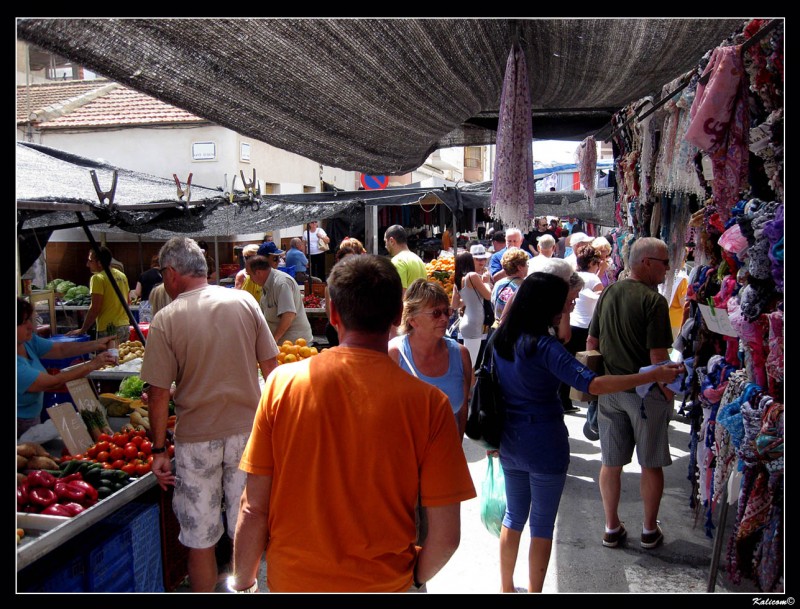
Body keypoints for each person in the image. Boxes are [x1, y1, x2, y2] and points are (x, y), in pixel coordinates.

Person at [230, 254, 476, 592]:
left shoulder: (280, 385)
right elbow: (446, 537)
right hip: (386, 583)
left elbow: (254, 507)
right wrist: (413, 578)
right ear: (396, 316)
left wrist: (243, 583)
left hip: (295, 582)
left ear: (333, 315)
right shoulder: (431, 405)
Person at [493, 271, 683, 593]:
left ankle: (506, 589)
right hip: (544, 444)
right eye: (566, 303)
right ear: (549, 307)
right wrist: (648, 376)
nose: (571, 306)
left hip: (510, 440)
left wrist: (562, 311)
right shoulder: (544, 347)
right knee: (541, 524)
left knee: (513, 517)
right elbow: (592, 384)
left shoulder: (502, 339)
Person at [140, 236, 279, 592]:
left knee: (199, 536)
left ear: (171, 274)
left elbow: (157, 394)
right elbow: (272, 369)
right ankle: (248, 587)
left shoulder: (166, 319)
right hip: (249, 435)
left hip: (196, 441)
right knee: (248, 524)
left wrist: (158, 450)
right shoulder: (244, 300)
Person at [587, 236, 677, 551]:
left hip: (610, 390)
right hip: (644, 393)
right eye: (664, 262)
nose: (668, 268)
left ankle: (611, 527)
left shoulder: (609, 291)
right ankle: (649, 530)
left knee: (611, 463)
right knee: (650, 463)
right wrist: (667, 392)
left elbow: (591, 344)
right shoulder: (653, 301)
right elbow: (658, 357)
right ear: (645, 262)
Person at [17, 297, 117, 438]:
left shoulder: (27, 342)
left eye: (29, 320)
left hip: (32, 419)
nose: (31, 326)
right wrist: (93, 364)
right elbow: (53, 383)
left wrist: (96, 344)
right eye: (23, 322)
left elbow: (61, 349)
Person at [389, 279, 472, 437]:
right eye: (436, 313)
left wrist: (457, 450)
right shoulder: (394, 354)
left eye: (446, 311)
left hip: (445, 455)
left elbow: (462, 410)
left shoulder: (461, 354)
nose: (444, 319)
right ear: (412, 320)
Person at [559, 246, 604, 414]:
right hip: (586, 327)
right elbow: (601, 305)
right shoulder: (594, 280)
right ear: (592, 262)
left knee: (566, 363)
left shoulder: (575, 276)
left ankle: (564, 400)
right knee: (584, 365)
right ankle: (580, 396)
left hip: (572, 323)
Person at [249, 248, 313, 346]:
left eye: (250, 275)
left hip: (295, 345)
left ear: (258, 273)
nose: (250, 279)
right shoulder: (266, 284)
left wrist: (274, 340)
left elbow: (288, 315)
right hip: (282, 344)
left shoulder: (282, 283)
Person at [67, 245, 131, 343]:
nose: (87, 264)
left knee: (107, 358)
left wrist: (83, 329)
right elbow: (128, 301)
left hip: (108, 329)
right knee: (122, 357)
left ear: (100, 263)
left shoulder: (98, 278)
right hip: (125, 327)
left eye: (90, 261)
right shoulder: (122, 276)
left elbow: (95, 308)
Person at [451, 251, 493, 368]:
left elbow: (455, 305)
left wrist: (469, 299)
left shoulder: (458, 280)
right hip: (474, 323)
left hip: (467, 320)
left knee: (468, 362)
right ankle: (468, 386)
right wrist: (487, 282)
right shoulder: (472, 276)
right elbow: (488, 295)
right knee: (470, 365)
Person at [384, 224, 427, 295]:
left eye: (385, 241)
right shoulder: (418, 259)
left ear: (391, 241)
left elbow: (401, 295)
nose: (385, 246)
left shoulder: (398, 261)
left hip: (408, 306)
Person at [490, 248, 529, 326]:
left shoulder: (498, 284)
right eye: (527, 263)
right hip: (517, 329)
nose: (528, 266)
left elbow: (493, 305)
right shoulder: (525, 286)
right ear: (520, 267)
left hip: (499, 329)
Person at [129, 254, 162, 323]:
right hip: (160, 303)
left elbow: (137, 292)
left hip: (145, 304)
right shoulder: (164, 275)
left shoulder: (143, 275)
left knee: (145, 327)